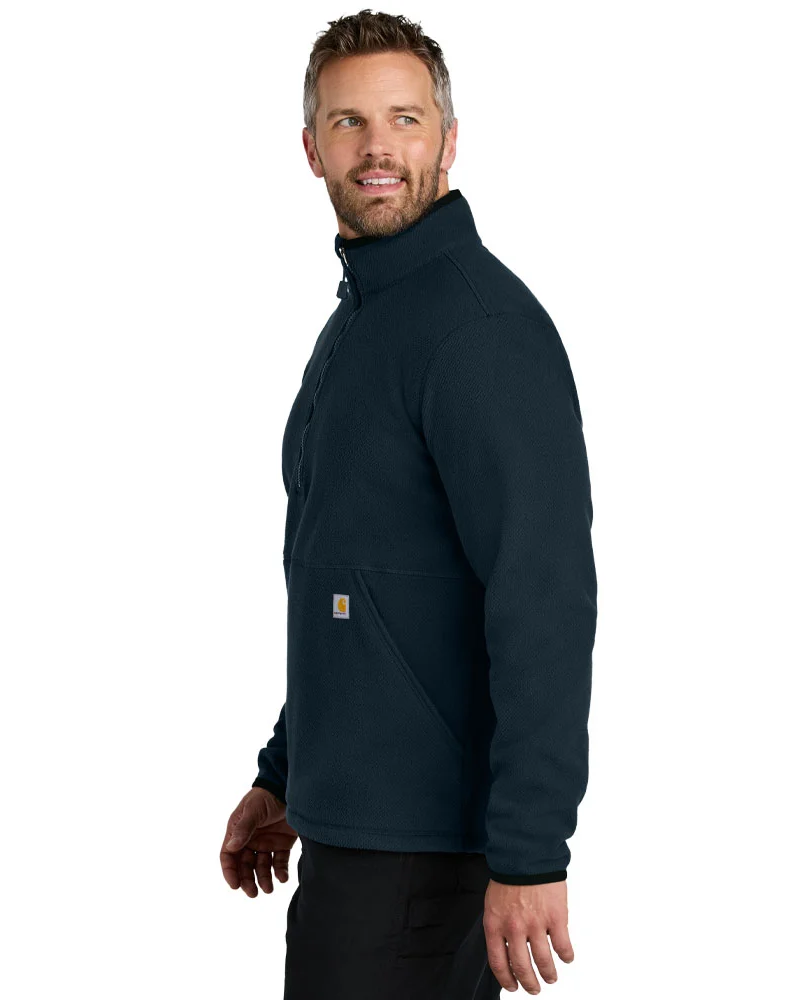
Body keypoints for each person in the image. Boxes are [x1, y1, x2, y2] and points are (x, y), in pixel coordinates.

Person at [220, 11, 598, 998]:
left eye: (405, 118)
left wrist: (531, 851)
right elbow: (354, 581)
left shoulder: (477, 329)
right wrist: (285, 773)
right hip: (355, 838)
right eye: (348, 122)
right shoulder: (362, 323)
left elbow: (545, 601)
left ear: (449, 138)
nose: (377, 146)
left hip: (425, 859)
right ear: (312, 148)